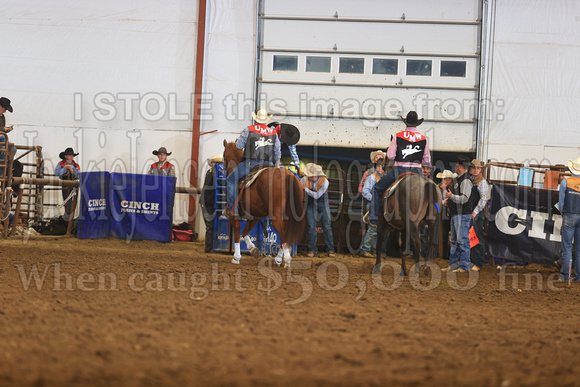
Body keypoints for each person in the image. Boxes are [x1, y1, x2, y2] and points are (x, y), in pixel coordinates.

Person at [369, 111, 430, 227]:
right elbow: (426, 160)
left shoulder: (398, 136)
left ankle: (373, 218)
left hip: (399, 170)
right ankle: (427, 217)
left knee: (377, 188)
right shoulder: (423, 139)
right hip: (416, 172)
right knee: (428, 193)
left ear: (406, 123)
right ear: (417, 124)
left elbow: (391, 156)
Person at [225, 109, 281, 218]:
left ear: (256, 119)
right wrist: (277, 165)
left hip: (251, 163)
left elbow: (239, 146)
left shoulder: (248, 129)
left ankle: (234, 210)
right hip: (269, 165)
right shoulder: (273, 132)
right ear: (266, 120)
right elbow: (277, 151)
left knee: (231, 180)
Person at [443, 157, 473, 272]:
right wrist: (449, 201)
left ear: (460, 167)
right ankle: (454, 264)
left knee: (462, 240)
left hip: (461, 214)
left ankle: (464, 265)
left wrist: (451, 198)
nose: (455, 167)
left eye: (456, 166)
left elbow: (464, 198)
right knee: (455, 240)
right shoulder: (460, 179)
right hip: (456, 214)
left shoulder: (465, 180)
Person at [301, 163, 335, 258]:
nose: (310, 178)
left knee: (327, 226)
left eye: (312, 176)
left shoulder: (325, 182)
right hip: (311, 203)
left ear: (317, 176)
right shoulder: (305, 179)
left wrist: (305, 189)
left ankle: (331, 249)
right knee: (311, 226)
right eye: (309, 176)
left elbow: (317, 195)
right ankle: (312, 249)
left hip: (322, 202)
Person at [559, 156, 580, 282]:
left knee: (567, 247)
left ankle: (566, 276)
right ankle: (579, 276)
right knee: (579, 249)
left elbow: (561, 203)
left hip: (569, 215)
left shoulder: (566, 182)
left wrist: (563, 214)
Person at [359, 158, 384, 257]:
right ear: (377, 168)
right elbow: (365, 192)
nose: (382, 169)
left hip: (379, 205)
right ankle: (365, 249)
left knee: (377, 228)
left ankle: (372, 249)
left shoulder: (381, 178)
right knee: (373, 227)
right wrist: (375, 200)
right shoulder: (372, 178)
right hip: (373, 205)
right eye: (381, 166)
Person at [469, 159, 490, 271]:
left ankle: (478, 262)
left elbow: (484, 199)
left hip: (477, 212)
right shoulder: (472, 180)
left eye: (478, 168)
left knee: (477, 236)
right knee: (471, 235)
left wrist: (475, 211)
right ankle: (472, 260)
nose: (476, 170)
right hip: (472, 211)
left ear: (480, 169)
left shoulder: (482, 182)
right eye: (474, 168)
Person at [199, 154, 222, 253]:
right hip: (208, 202)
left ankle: (210, 246)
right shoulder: (212, 172)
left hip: (209, 202)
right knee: (210, 225)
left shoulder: (213, 172)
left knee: (211, 224)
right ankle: (208, 248)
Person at [436, 170, 457, 260]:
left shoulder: (453, 188)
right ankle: (443, 254)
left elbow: (448, 201)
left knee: (453, 236)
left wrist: (444, 192)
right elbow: (434, 203)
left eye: (444, 179)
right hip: (442, 216)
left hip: (451, 215)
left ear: (450, 179)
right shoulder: (437, 188)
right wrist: (441, 204)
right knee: (443, 235)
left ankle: (450, 255)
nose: (442, 181)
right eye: (442, 179)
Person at [54, 147, 81, 215]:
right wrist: (65, 168)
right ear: (65, 156)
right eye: (69, 155)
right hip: (65, 185)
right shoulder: (61, 164)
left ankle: (69, 216)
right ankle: (68, 215)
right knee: (66, 201)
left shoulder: (75, 165)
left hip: (73, 186)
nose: (71, 157)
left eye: (72, 155)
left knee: (72, 202)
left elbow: (78, 175)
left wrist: (72, 169)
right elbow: (57, 173)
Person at [420, 162, 434, 258]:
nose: (425, 170)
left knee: (424, 234)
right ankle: (414, 251)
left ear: (430, 170)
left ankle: (424, 253)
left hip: (426, 212)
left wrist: (437, 209)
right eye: (423, 168)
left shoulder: (432, 182)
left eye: (427, 168)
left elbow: (435, 200)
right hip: (416, 211)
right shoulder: (415, 180)